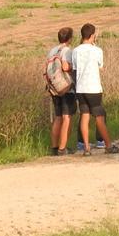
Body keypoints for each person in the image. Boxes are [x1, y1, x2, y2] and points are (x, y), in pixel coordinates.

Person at [72, 23, 119, 155]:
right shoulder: (97, 50)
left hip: (80, 88)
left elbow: (75, 68)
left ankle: (86, 148)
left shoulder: (76, 51)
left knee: (84, 116)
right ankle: (108, 145)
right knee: (99, 117)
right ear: (92, 35)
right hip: (93, 87)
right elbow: (100, 66)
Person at [45, 27, 76, 156]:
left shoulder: (52, 51)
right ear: (69, 38)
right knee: (67, 117)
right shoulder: (67, 50)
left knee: (58, 117)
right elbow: (65, 66)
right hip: (66, 88)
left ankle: (54, 147)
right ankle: (63, 148)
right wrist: (73, 67)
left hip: (54, 88)